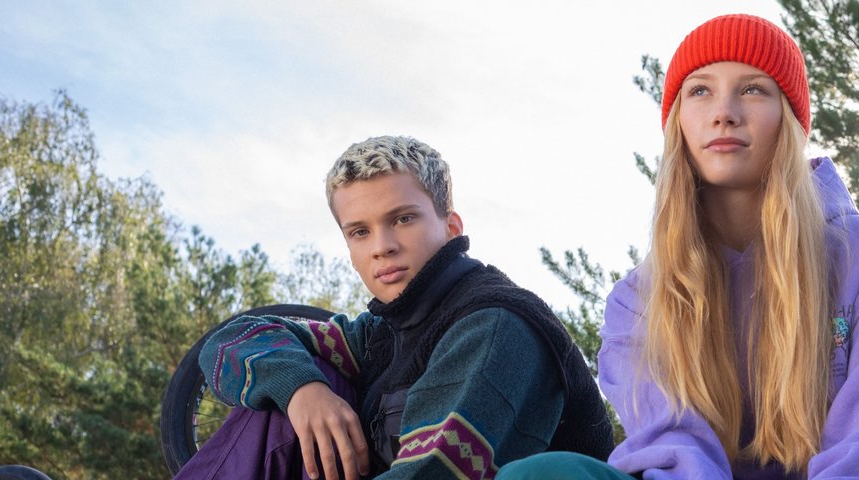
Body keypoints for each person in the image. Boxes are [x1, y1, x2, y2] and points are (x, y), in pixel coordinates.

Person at [497, 14, 859, 479]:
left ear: (788, 120)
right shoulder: (637, 299)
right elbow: (671, 444)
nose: (724, 111)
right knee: (542, 474)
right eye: (700, 90)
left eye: (752, 89)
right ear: (678, 125)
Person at [175, 135, 614, 480]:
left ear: (451, 227)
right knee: (286, 394)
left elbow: (434, 474)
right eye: (360, 232)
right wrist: (301, 391)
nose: (382, 247)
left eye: (403, 219)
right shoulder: (380, 334)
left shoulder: (494, 324)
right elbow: (228, 342)